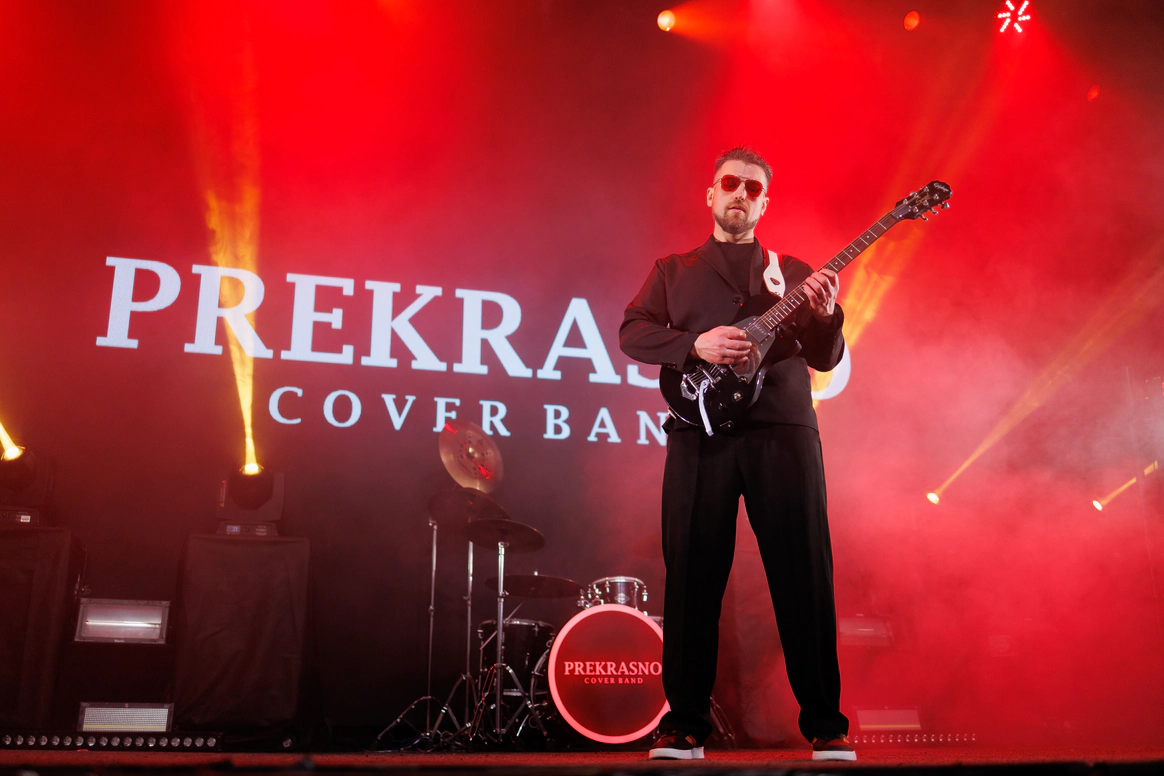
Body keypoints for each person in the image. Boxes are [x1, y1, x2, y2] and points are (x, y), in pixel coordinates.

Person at [619, 146, 854, 762]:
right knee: (692, 577)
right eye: (731, 183)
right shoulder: (673, 270)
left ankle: (826, 724)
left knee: (804, 572)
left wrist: (826, 317)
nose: (741, 195)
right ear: (711, 193)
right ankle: (685, 725)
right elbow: (632, 332)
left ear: (765, 203)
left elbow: (826, 357)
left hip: (784, 431)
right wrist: (693, 345)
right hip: (701, 435)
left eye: (753, 188)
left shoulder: (793, 272)